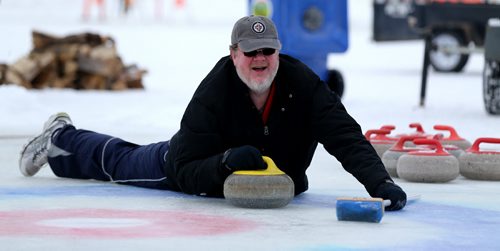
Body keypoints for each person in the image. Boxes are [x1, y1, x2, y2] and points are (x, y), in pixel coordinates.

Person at [19, 15, 407, 211]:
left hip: (267, 189)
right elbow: (186, 168)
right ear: (234, 53)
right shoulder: (214, 92)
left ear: (278, 51)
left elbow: (345, 137)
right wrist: (224, 164)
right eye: (250, 51)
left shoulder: (303, 84)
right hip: (188, 165)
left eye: (267, 51)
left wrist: (380, 184)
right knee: (122, 162)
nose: (260, 59)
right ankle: (61, 138)